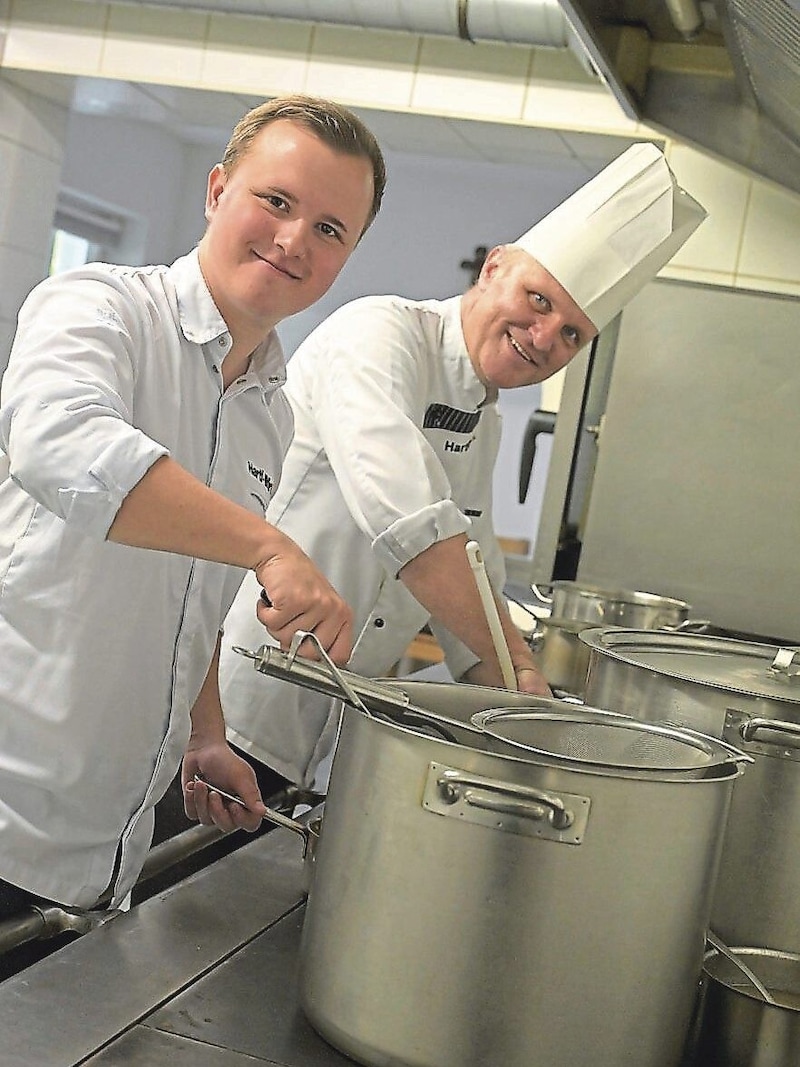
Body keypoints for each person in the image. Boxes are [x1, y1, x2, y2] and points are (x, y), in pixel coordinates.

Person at [0, 94, 387, 918]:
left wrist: (204, 732)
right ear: (217, 192)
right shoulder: (98, 307)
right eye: (276, 201)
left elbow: (192, 597)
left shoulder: (268, 414)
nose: (293, 240)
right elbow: (60, 444)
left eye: (329, 229)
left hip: (110, 844)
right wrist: (271, 547)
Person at [219, 141, 707, 793]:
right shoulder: (378, 335)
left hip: (326, 733)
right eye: (539, 301)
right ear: (495, 267)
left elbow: (473, 582)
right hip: (229, 709)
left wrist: (526, 696)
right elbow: (412, 526)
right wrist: (512, 667)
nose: (543, 338)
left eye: (570, 334)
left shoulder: (484, 416)